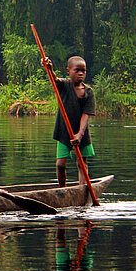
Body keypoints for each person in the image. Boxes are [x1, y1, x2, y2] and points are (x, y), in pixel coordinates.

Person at [42, 56, 95, 187]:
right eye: (77, 70)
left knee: (82, 163)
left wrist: (79, 135)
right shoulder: (64, 85)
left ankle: (82, 188)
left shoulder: (88, 92)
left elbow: (86, 115)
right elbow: (54, 80)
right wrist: (49, 68)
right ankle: (62, 190)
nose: (81, 73)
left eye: (83, 71)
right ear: (68, 71)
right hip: (64, 132)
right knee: (60, 165)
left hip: (81, 133)